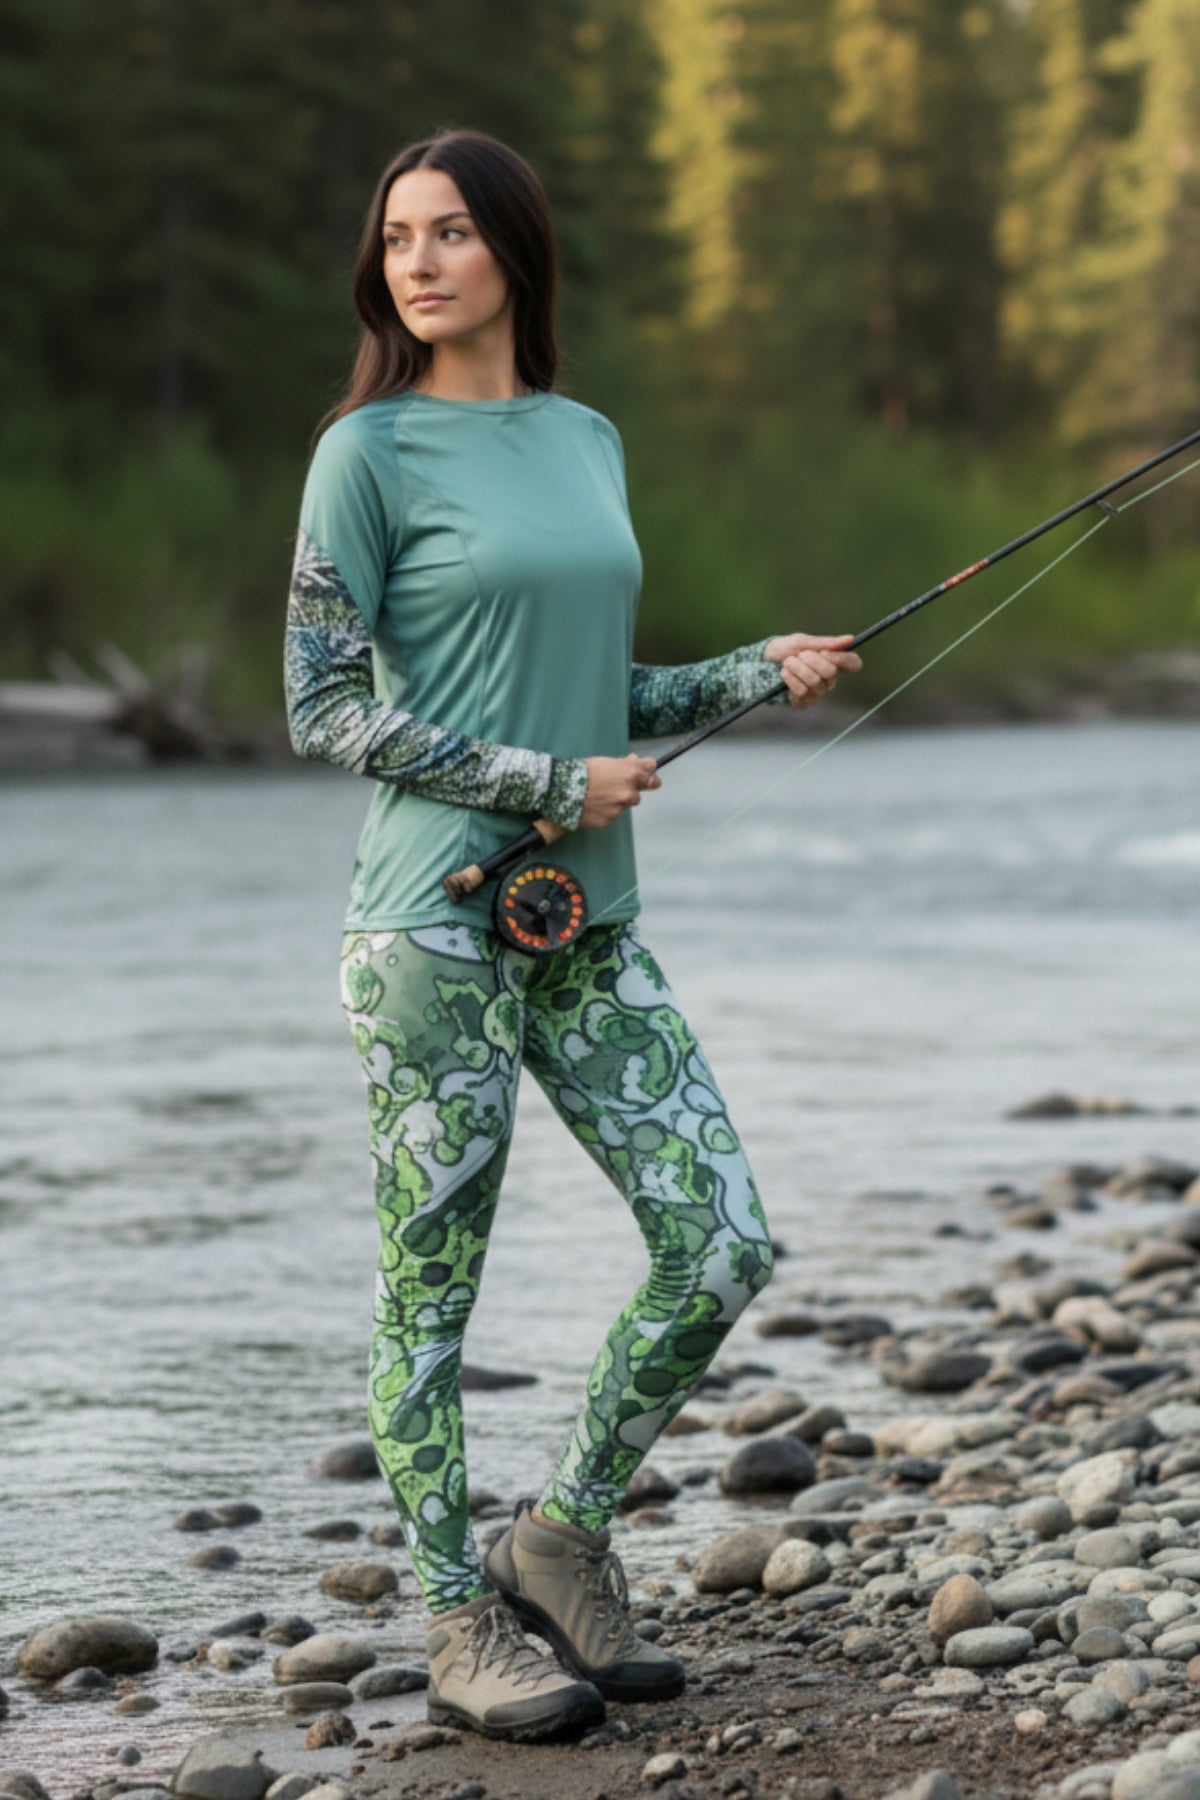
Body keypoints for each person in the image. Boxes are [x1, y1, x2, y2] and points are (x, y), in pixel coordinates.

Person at [284, 127, 862, 1744]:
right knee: (431, 1293)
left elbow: (599, 694)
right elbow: (322, 705)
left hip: (587, 923)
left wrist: (746, 670)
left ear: (516, 253)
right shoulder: (366, 453)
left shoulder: (587, 437)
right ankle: (459, 1622)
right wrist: (546, 779)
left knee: (723, 1238)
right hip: (433, 931)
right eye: (397, 235)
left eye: (452, 231)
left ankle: (561, 1536)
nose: (418, 260)